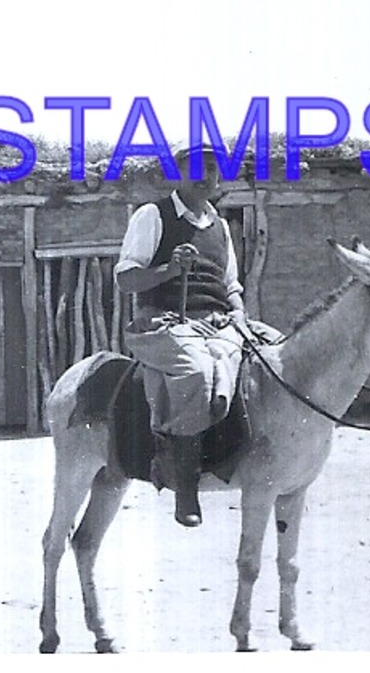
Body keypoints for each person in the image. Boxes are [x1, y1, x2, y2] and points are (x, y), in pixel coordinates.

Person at [115, 153, 273, 527]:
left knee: (275, 351)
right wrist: (170, 269)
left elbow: (230, 284)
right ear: (178, 174)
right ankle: (184, 484)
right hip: (163, 323)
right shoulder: (153, 216)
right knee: (198, 373)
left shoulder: (218, 225)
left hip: (218, 324)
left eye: (214, 169)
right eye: (197, 169)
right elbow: (126, 279)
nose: (207, 177)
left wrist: (237, 312)